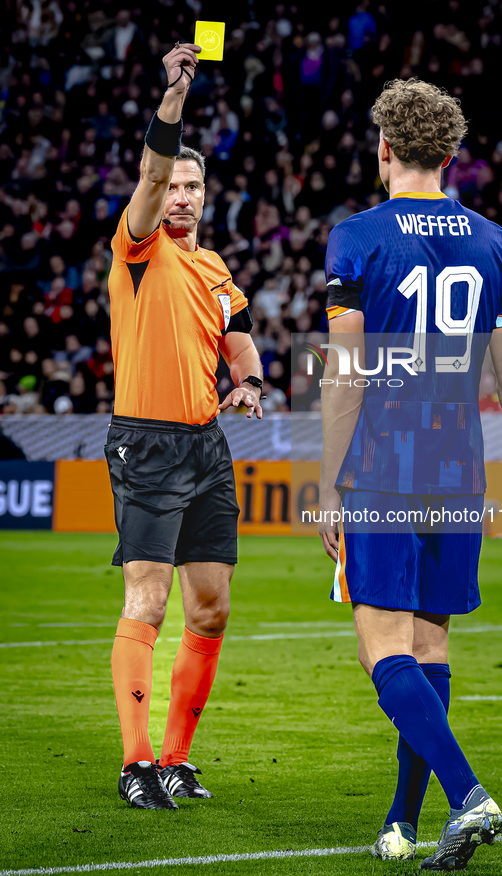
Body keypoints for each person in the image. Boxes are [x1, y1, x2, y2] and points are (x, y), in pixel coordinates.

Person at [318, 79, 502, 870]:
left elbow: (346, 373)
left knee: (379, 650)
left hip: (386, 465)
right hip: (458, 466)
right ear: (450, 155)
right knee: (428, 648)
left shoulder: (355, 236)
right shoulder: (492, 244)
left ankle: (468, 796)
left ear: (383, 146)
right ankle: (402, 821)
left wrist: (326, 486)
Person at [106, 42, 264, 811]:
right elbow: (146, 172)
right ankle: (136, 764)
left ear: (206, 195)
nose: (179, 195)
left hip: (206, 445)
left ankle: (175, 759)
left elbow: (237, 330)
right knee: (148, 598)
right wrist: (174, 97)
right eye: (172, 183)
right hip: (146, 439)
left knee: (210, 604)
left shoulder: (213, 269)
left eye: (192, 186)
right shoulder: (136, 248)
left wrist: (251, 378)